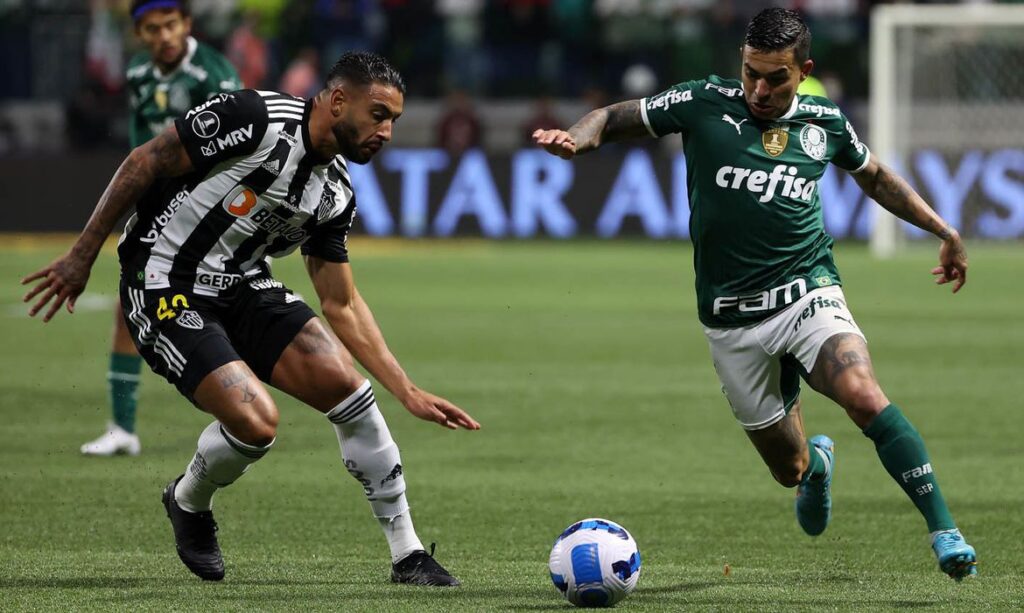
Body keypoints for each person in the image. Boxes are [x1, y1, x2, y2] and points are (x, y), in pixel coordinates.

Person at [533, 8, 977, 581]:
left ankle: (944, 531)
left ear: (803, 72)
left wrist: (944, 230)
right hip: (731, 320)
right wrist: (577, 138)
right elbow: (614, 116)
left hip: (807, 292)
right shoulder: (702, 101)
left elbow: (873, 176)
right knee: (788, 468)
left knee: (863, 394)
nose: (759, 90)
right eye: (751, 74)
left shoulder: (823, 122)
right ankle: (817, 468)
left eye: (775, 78)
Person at [23, 51, 480, 584]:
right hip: (164, 281)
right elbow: (145, 161)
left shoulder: (335, 194)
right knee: (257, 422)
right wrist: (83, 254)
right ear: (337, 101)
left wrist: (408, 391)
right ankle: (189, 501)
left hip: (243, 284)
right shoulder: (255, 118)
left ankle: (408, 554)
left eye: (394, 121)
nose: (386, 132)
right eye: (378, 115)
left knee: (351, 392)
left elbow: (341, 303)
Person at [81, 0, 242, 457]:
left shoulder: (215, 76)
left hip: (211, 211)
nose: (163, 36)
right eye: (152, 29)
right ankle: (122, 428)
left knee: (229, 311)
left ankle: (241, 413)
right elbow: (142, 142)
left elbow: (234, 151)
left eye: (170, 25)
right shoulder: (138, 73)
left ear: (187, 24)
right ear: (139, 33)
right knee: (128, 306)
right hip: (163, 209)